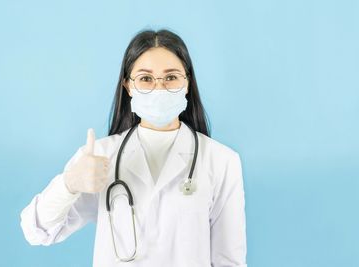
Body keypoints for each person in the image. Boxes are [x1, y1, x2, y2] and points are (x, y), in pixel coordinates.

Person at [20, 28, 247, 267]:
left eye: (171, 77)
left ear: (187, 83)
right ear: (128, 86)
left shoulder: (221, 161)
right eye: (146, 78)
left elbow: (228, 261)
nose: (159, 89)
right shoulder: (100, 156)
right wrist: (69, 184)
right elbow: (35, 230)